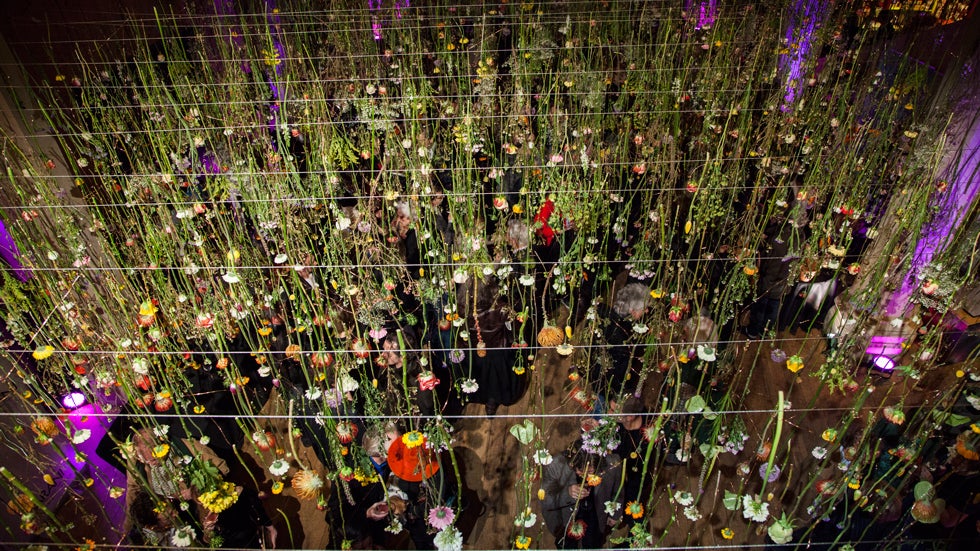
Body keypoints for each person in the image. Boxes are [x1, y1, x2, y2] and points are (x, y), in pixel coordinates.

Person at [542, 439, 624, 549]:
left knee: (594, 544)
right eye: (581, 471)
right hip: (566, 520)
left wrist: (615, 514)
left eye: (590, 472)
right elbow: (545, 498)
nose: (585, 475)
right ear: (572, 465)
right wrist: (568, 493)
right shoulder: (555, 464)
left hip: (596, 516)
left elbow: (618, 490)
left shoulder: (613, 463)